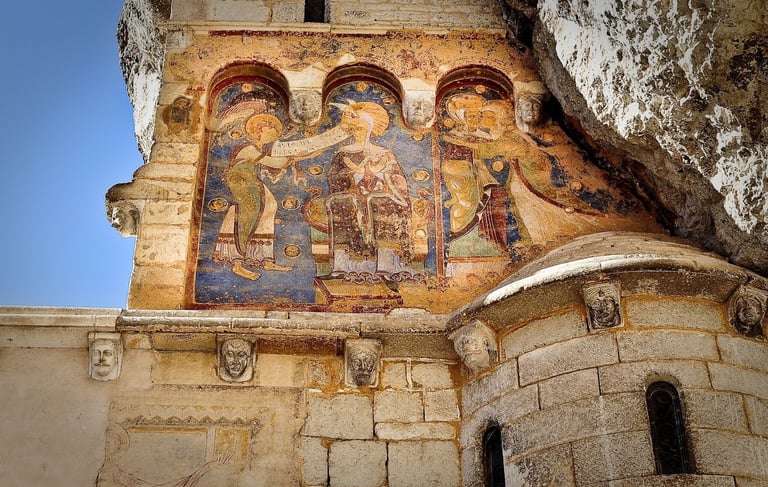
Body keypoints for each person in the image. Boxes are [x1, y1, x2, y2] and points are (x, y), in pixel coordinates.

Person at [323, 100, 422, 287]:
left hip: (381, 195)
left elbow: (398, 178)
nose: (358, 132)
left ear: (370, 129)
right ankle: (342, 267)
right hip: (352, 195)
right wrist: (356, 175)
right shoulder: (343, 153)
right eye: (355, 128)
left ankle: (385, 266)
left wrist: (378, 174)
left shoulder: (385, 153)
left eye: (362, 128)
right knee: (343, 204)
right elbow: (334, 177)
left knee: (381, 203)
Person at [213, 114, 294, 280]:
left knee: (269, 208)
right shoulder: (248, 148)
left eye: (275, 131)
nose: (273, 133)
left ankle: (263, 258)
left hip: (251, 180)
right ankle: (237, 263)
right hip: (241, 180)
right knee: (247, 214)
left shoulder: (259, 149)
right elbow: (275, 163)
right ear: (258, 131)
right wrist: (293, 156)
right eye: (270, 129)